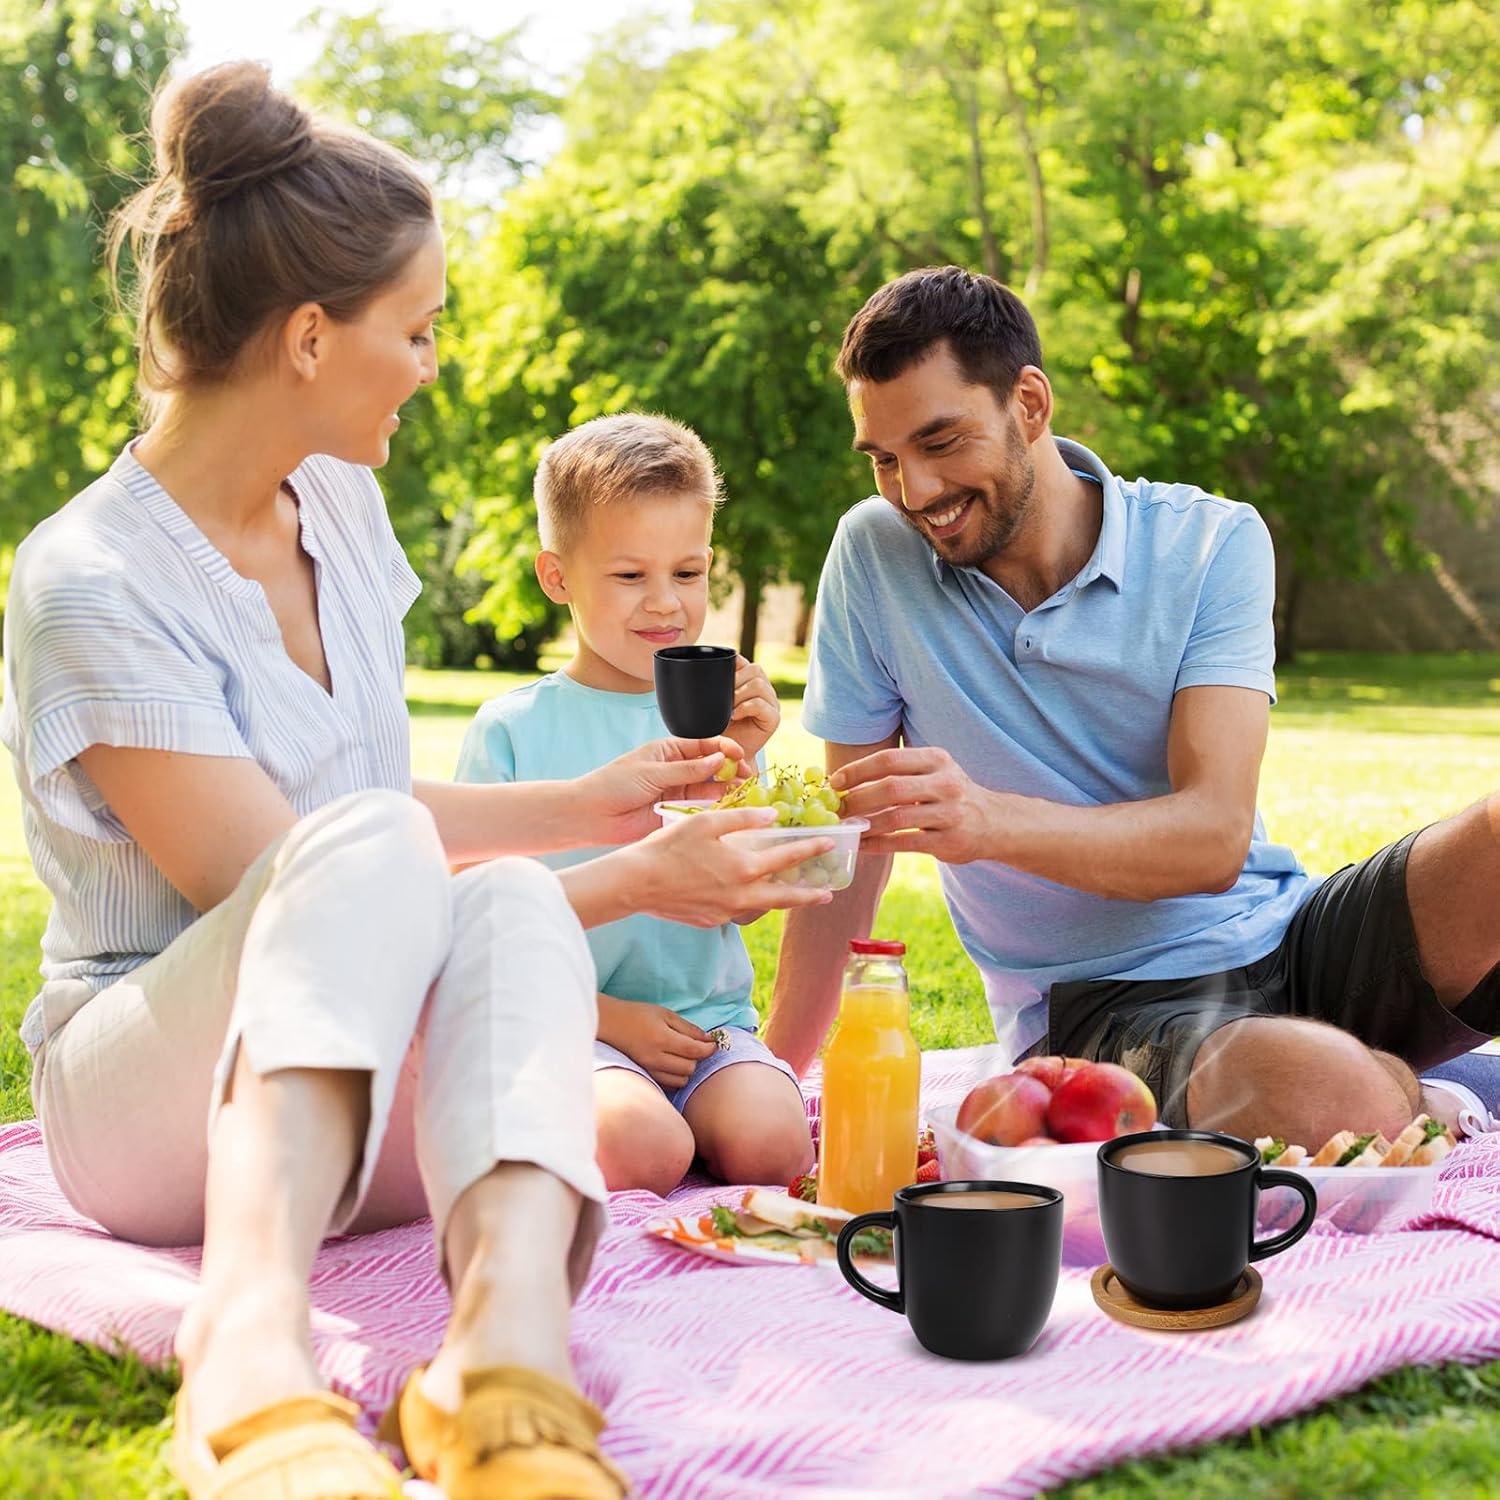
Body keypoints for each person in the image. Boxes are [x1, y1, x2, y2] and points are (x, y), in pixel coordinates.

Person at [0, 63, 831, 1500]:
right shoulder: (91, 578)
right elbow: (299, 891)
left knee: (504, 902)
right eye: (420, 330)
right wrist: (632, 880)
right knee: (443, 880)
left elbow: (372, 815)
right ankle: (246, 1347)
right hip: (149, 1093)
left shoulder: (340, 501)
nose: (435, 363)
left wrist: (600, 804)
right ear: (313, 338)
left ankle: (503, 1362)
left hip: (355, 1056)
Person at [764, 265, 1500, 1153]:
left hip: (1291, 933)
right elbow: (852, 850)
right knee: (1325, 1091)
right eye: (883, 459)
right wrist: (776, 1074)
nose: (914, 490)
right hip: (1104, 1003)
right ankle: (1411, 1090)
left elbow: (1213, 837)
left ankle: (1392, 1082)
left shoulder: (1212, 540)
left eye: (941, 442)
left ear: (1029, 404)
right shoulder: (873, 556)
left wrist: (989, 820)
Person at [455, 414, 816, 1197]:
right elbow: (483, 927)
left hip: (705, 1025)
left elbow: (746, 904)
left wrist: (747, 755)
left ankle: (690, 1120)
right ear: (558, 578)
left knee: (774, 1143)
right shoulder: (514, 731)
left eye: (687, 574)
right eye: (630, 576)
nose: (666, 604)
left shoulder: (717, 726)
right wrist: (607, 1020)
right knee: (643, 1148)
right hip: (569, 1023)